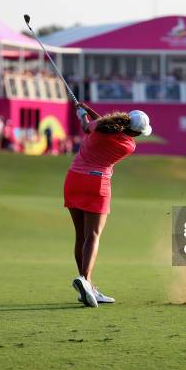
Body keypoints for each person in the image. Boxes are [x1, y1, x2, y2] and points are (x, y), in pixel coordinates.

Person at [65, 103, 152, 307]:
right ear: (136, 133)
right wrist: (86, 113)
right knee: (92, 236)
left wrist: (82, 114)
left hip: (74, 179)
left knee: (81, 236)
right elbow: (104, 125)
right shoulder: (129, 145)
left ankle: (87, 285)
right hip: (97, 183)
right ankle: (85, 281)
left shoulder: (98, 129)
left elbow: (93, 126)